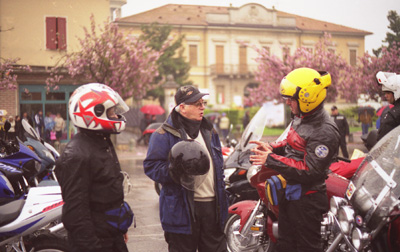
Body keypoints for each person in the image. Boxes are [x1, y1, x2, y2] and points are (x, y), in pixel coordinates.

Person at [249, 68, 340, 252]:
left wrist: (271, 159)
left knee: (306, 248)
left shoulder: (325, 130)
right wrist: (272, 147)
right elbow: (291, 142)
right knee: (285, 245)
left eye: (291, 98)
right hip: (291, 194)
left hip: (307, 201)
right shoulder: (301, 117)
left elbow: (309, 170)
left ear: (308, 98)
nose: (288, 102)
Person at [143, 85, 228, 252]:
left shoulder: (210, 131)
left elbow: (219, 168)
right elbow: (151, 167)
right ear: (182, 107)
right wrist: (176, 171)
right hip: (182, 211)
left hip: (213, 210)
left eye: (203, 103)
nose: (202, 107)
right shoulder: (163, 134)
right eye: (197, 104)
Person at [55, 83, 133, 252]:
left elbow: (105, 191)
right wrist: (92, 247)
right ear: (93, 113)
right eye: (111, 112)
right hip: (94, 242)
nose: (115, 116)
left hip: (111, 234)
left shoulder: (101, 141)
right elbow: (76, 213)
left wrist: (119, 229)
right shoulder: (76, 155)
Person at [376, 71, 400, 141]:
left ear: (397, 91)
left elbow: (382, 141)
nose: (385, 95)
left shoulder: (392, 115)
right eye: (385, 93)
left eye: (388, 93)